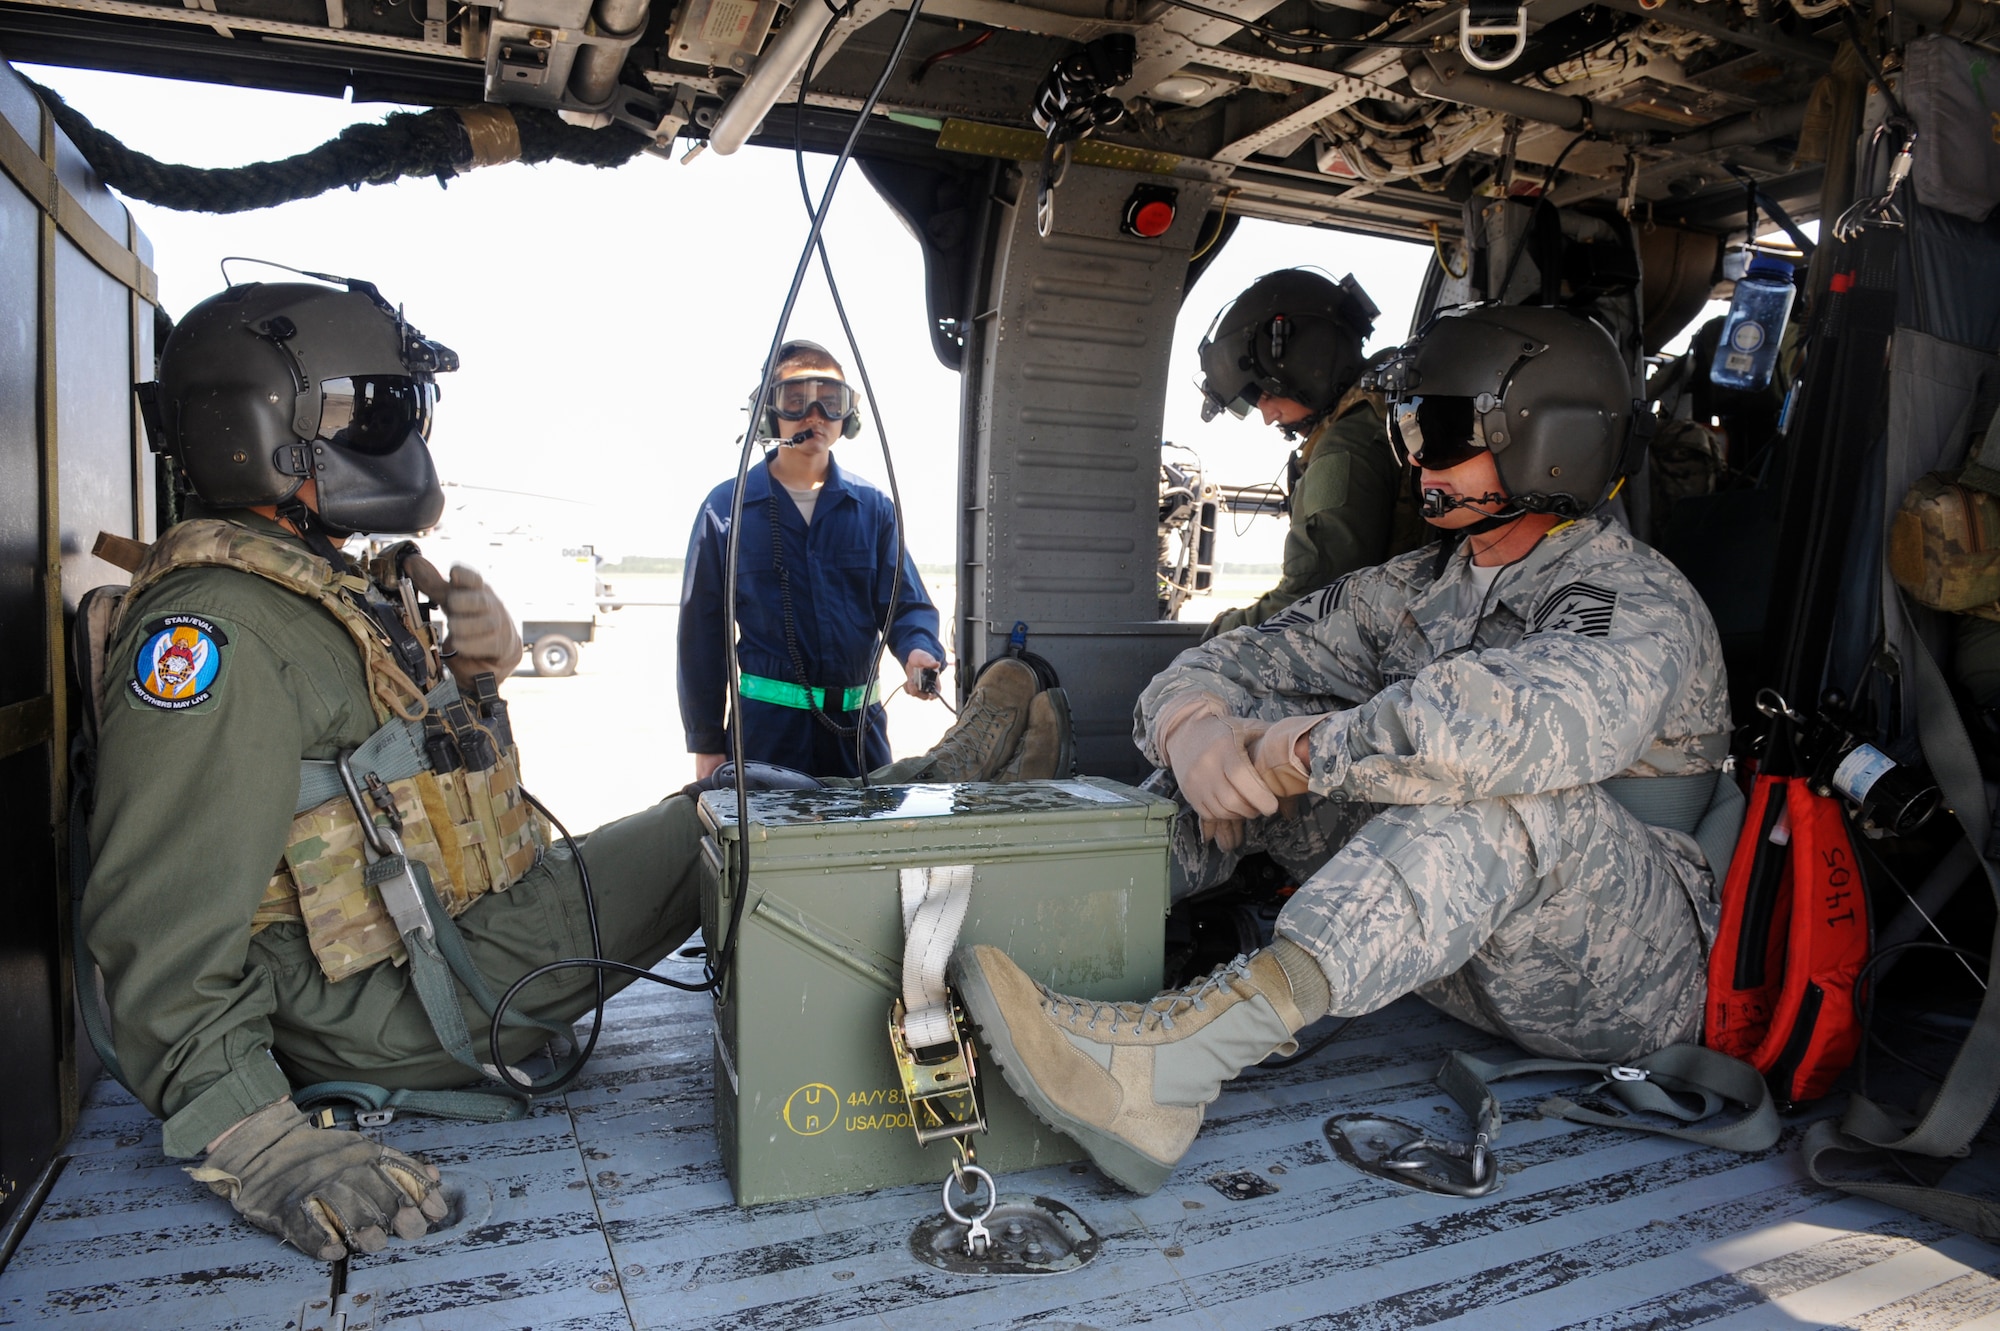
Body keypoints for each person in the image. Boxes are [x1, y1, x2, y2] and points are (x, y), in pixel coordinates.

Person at [85, 279, 1053, 1263]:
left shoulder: (315, 592)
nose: (389, 430)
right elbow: (155, 934)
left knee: (723, 813)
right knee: (732, 816)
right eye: (362, 407)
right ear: (261, 429)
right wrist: (259, 1139)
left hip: (436, 936)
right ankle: (949, 774)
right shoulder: (218, 631)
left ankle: (938, 773)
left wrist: (477, 685)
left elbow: (425, 799)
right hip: (380, 1000)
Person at [951, 303, 1735, 1196]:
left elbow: (1495, 731)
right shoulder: (1413, 589)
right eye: (1410, 425)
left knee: (1484, 786)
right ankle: (1023, 938)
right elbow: (1225, 662)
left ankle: (1165, 1076)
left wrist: (1304, 748)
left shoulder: (1637, 601)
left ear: (1549, 442)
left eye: (1441, 427)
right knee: (1268, 717)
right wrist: (1197, 726)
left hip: (1624, 981)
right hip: (1455, 962)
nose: (1414, 451)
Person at [680, 341, 946, 780]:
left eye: (830, 401)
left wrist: (919, 649)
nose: (815, 415)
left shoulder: (874, 508)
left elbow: (906, 604)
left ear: (848, 415)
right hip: (766, 739)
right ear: (769, 413)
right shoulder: (725, 509)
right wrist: (706, 742)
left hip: (858, 736)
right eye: (796, 400)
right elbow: (700, 635)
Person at [1194, 269, 1411, 638]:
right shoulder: (1391, 402)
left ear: (1302, 364)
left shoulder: (1345, 447)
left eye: (1262, 395)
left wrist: (1223, 631)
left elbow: (1310, 600)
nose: (1266, 417)